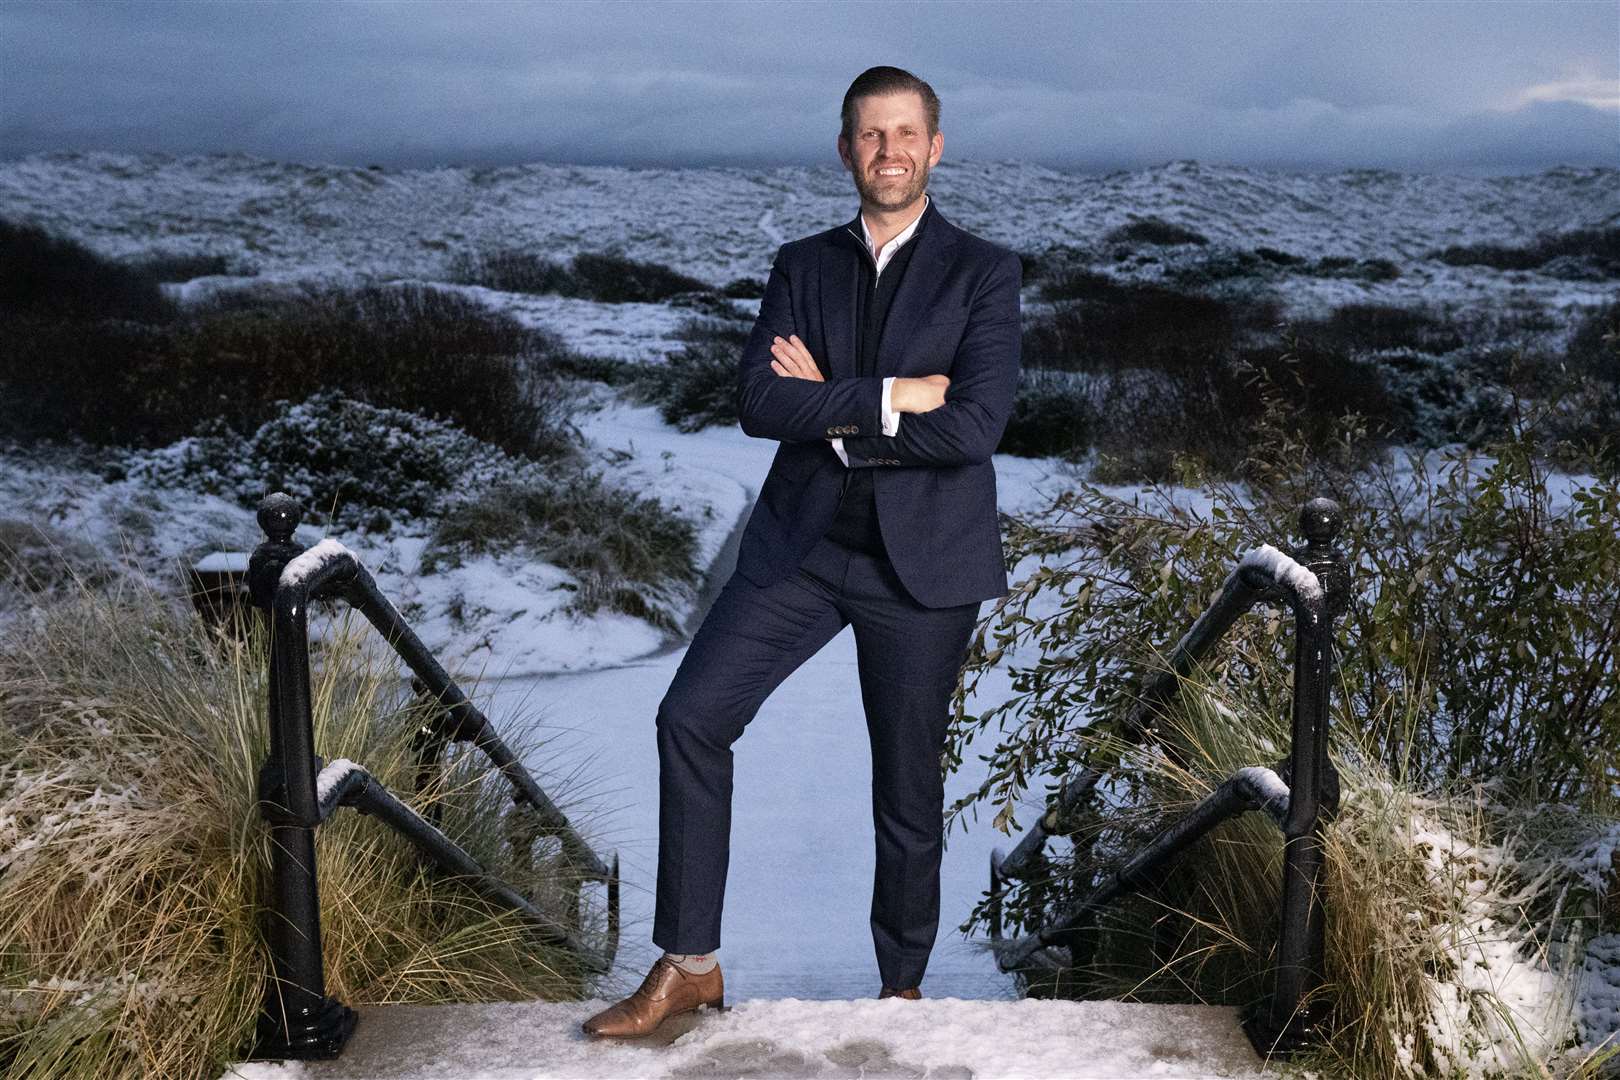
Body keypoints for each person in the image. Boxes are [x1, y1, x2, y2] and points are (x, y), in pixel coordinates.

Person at [582, 64, 1022, 1038]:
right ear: (844, 148)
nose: (889, 151)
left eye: (906, 133)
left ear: (936, 146)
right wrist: (890, 396)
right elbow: (758, 402)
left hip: (926, 569)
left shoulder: (983, 270)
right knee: (692, 718)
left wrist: (830, 403)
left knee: (906, 783)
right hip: (804, 551)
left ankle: (902, 994)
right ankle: (689, 965)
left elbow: (976, 425)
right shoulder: (802, 265)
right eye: (871, 134)